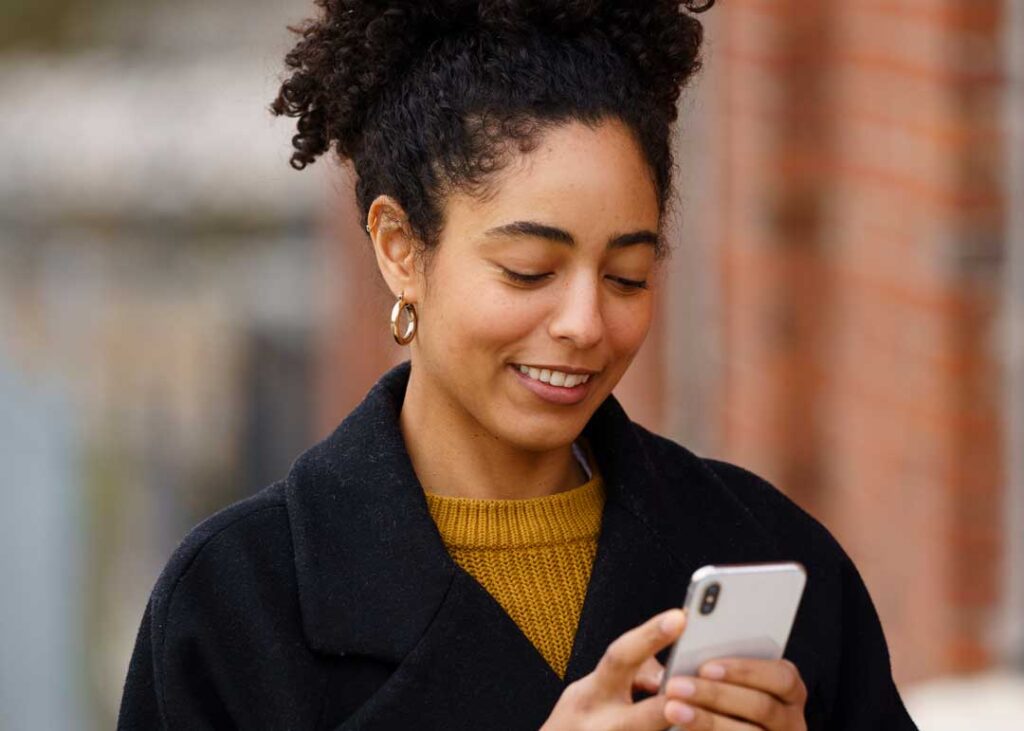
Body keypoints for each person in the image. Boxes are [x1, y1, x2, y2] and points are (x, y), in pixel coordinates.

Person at [117, 1, 920, 729]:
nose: (585, 324)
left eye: (626, 277)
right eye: (529, 270)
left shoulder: (764, 548)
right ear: (400, 248)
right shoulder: (236, 607)